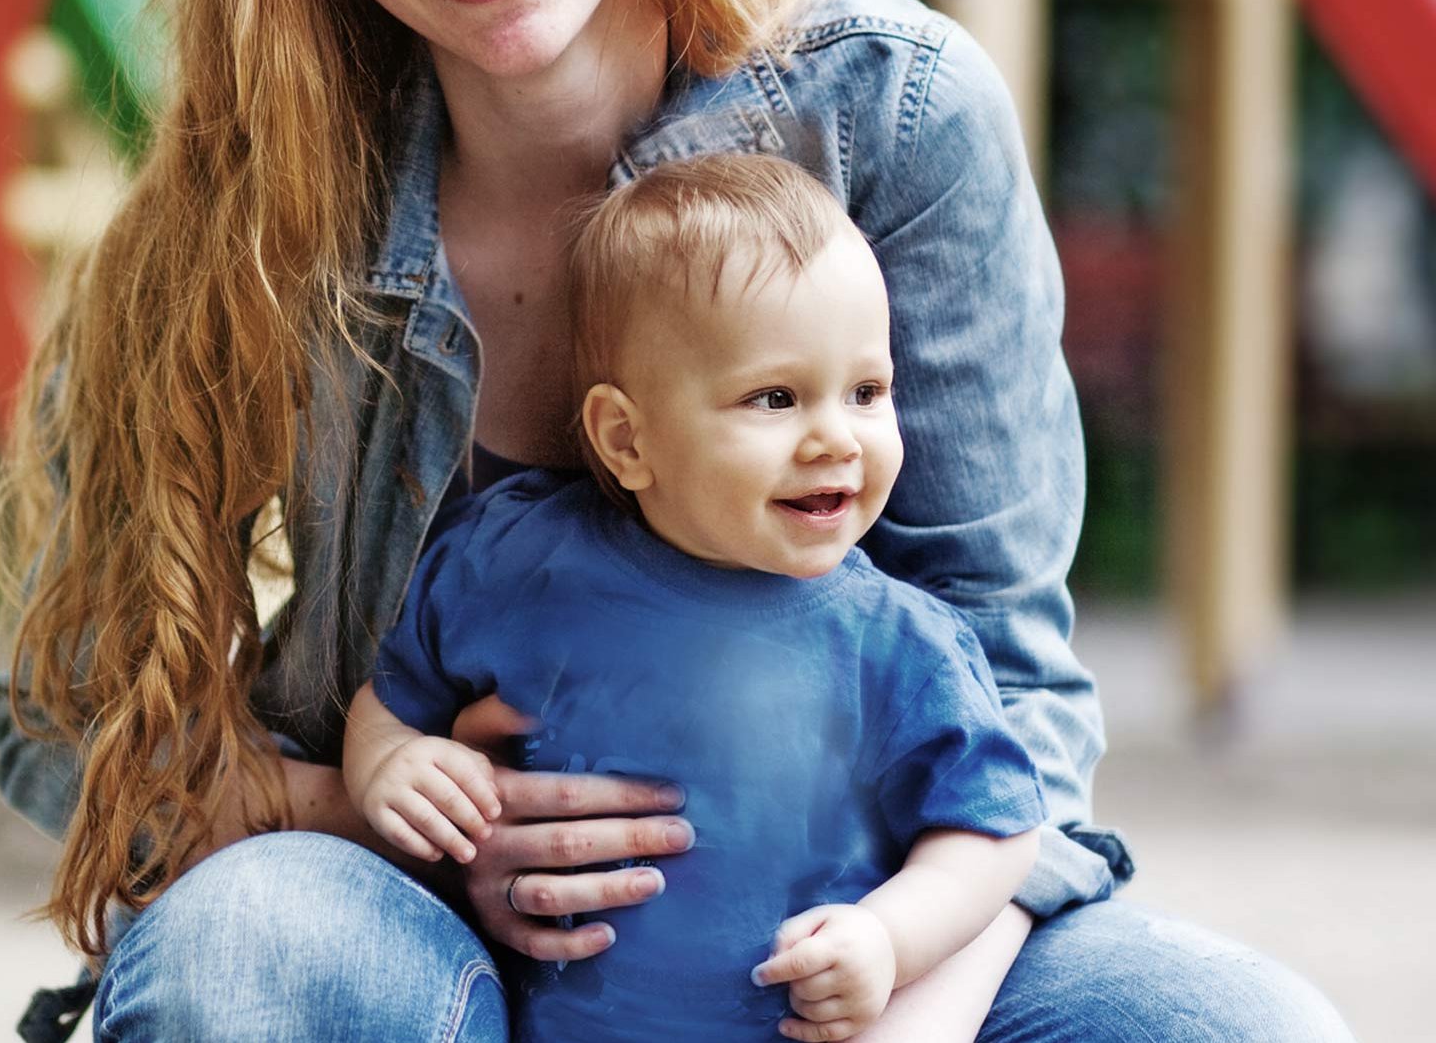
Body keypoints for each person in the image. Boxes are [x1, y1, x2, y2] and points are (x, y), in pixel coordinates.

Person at [0, 0, 1358, 1039]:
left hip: (846, 939)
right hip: (395, 927)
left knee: (1245, 1026)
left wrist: (899, 995)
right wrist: (413, 813)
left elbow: (1011, 697)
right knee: (252, 956)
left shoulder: (891, 118)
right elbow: (63, 724)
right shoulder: (253, 214)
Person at [342, 155, 1046, 1042]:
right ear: (627, 439)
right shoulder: (521, 564)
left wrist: (889, 939)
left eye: (868, 391)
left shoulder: (895, 641)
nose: (838, 438)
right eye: (776, 398)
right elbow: (391, 701)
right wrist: (388, 766)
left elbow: (994, 830)